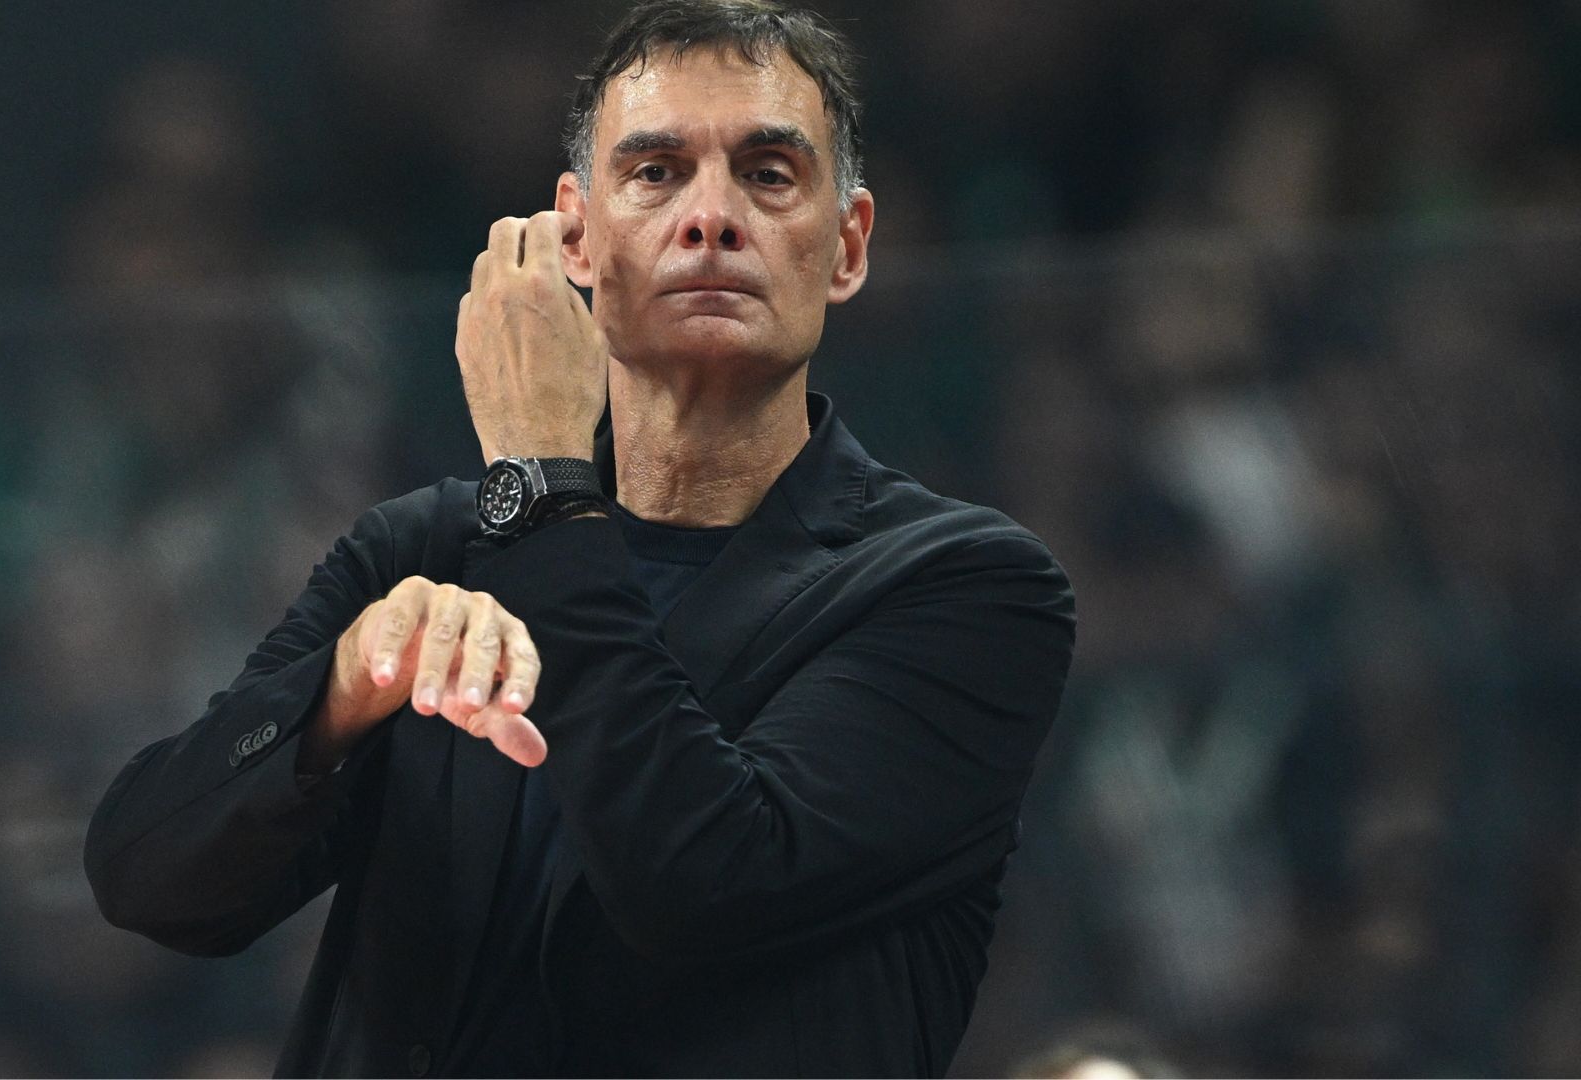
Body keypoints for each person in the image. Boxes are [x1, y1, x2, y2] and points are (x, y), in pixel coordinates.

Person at [84, 1, 1076, 1074]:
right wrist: (338, 695)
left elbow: (699, 882)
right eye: (655, 173)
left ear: (847, 247)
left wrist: (543, 479)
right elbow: (145, 878)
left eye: (768, 174)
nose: (711, 217)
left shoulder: (967, 590)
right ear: (576, 239)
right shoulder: (421, 553)